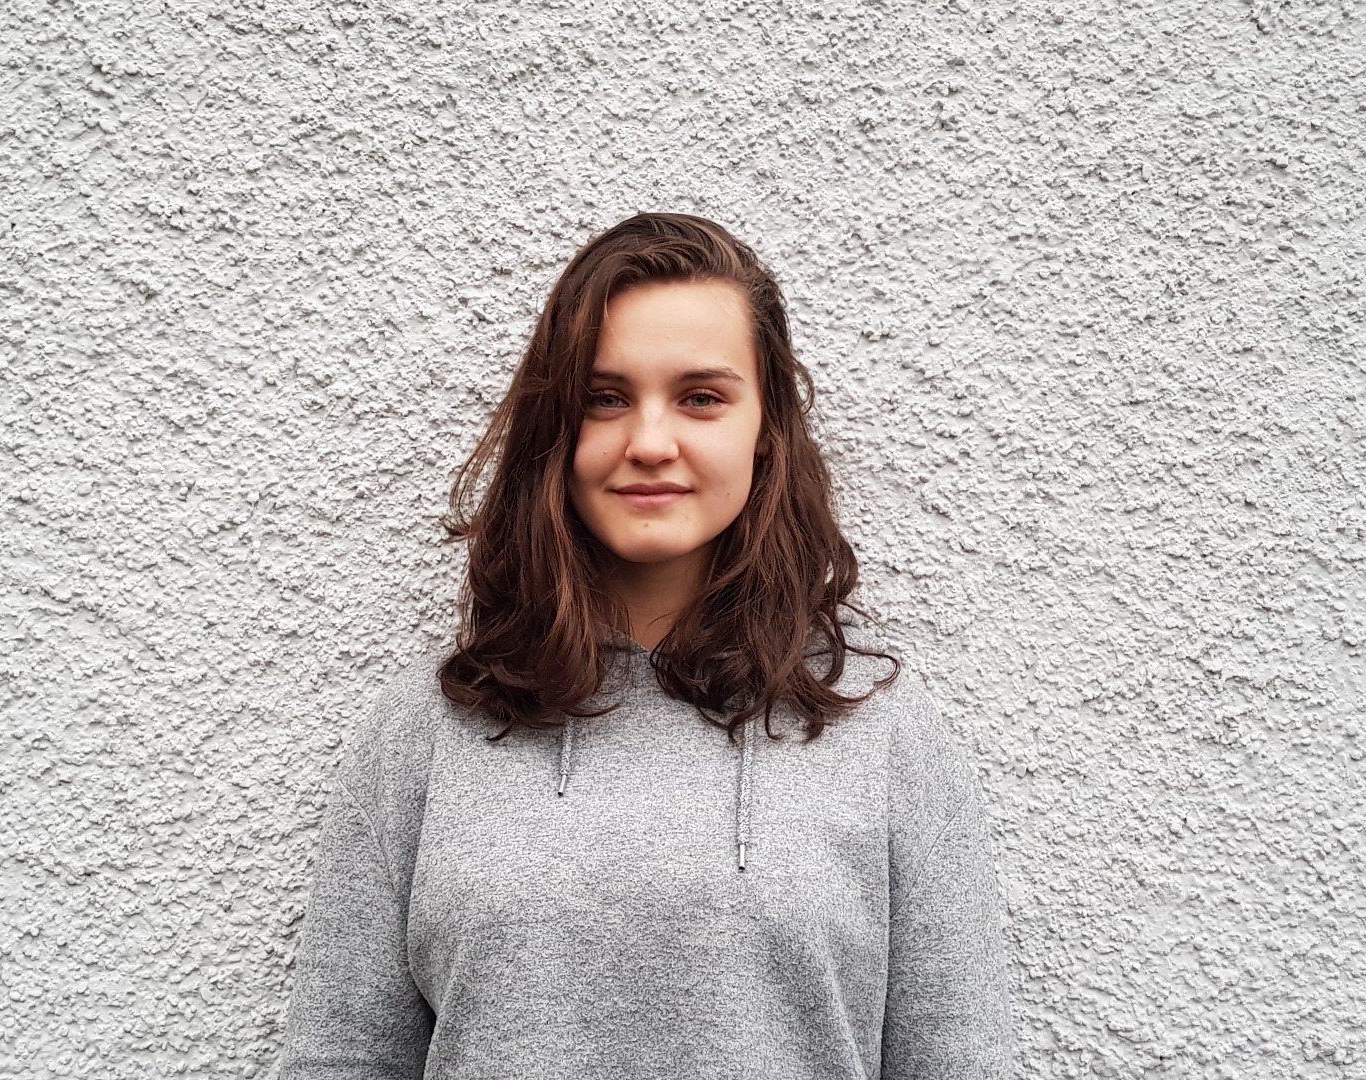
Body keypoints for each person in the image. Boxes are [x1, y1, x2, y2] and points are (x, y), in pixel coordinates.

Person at [279, 213, 1012, 1078]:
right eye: (605, 398)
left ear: (766, 427)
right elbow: (341, 1055)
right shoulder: (425, 731)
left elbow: (958, 1060)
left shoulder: (884, 735)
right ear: (555, 428)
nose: (651, 443)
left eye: (701, 398)